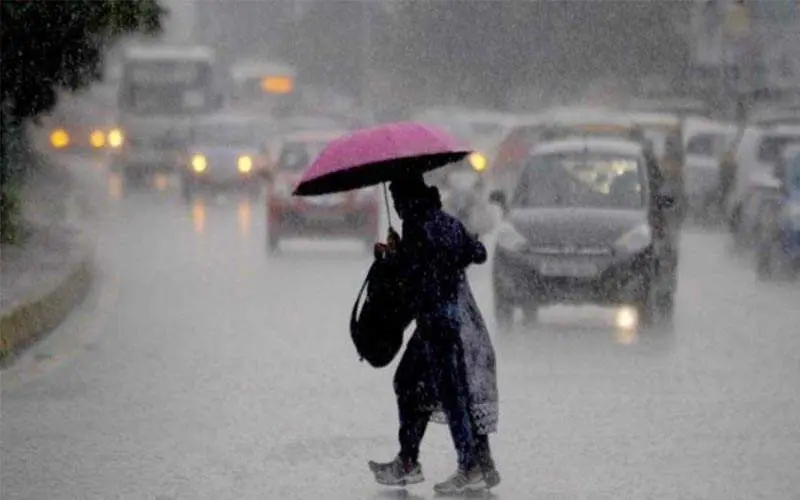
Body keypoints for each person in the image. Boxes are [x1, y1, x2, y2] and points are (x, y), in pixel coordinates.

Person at [368, 173, 500, 494]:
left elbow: (412, 276)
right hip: (453, 322)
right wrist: (459, 250)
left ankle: (468, 465)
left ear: (409, 199)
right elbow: (478, 252)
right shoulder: (446, 223)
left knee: (450, 394)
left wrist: (391, 258)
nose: (397, 207)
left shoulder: (418, 227)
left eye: (399, 200)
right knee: (420, 386)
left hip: (438, 326)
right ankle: (415, 460)